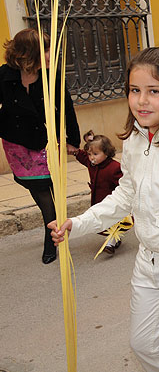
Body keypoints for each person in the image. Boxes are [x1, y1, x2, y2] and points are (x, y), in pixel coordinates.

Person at [50, 47, 159, 371]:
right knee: (144, 345)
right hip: (147, 262)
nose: (142, 100)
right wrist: (79, 224)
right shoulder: (134, 139)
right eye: (135, 90)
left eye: (153, 91)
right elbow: (125, 196)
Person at [0, 28, 80, 264]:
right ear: (28, 53)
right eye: (45, 49)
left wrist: (71, 140)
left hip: (45, 142)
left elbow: (67, 107)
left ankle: (50, 237)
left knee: (48, 193)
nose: (49, 53)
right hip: (17, 144)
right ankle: (55, 225)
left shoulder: (51, 75)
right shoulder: (4, 74)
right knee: (38, 189)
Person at [74, 130, 126, 254]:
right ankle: (114, 240)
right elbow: (82, 157)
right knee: (104, 222)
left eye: (96, 154)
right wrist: (75, 152)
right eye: (90, 154)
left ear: (106, 152)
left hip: (111, 202)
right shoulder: (92, 164)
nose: (92, 157)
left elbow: (123, 184)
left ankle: (111, 243)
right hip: (98, 199)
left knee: (114, 221)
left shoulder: (114, 167)